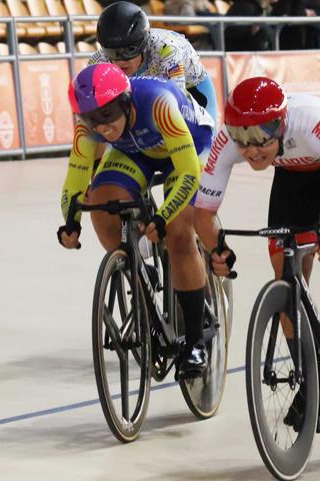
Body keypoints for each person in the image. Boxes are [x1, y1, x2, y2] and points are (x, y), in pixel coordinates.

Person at [193, 77, 320, 429]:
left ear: (281, 124)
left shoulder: (311, 123)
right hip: (293, 173)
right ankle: (310, 375)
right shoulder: (232, 138)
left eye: (260, 139)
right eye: (243, 139)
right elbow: (203, 214)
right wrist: (217, 250)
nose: (252, 150)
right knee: (285, 273)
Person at [59, 63, 215, 379]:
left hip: (189, 148)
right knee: (101, 201)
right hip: (136, 151)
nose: (100, 127)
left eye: (107, 115)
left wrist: (163, 216)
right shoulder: (89, 126)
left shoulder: (158, 103)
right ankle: (141, 272)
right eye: (91, 119)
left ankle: (196, 342)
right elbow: (75, 180)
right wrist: (71, 222)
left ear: (126, 102)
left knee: (179, 233)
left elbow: (188, 172)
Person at [90, 1, 218, 122]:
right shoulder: (98, 61)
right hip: (148, 90)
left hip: (193, 88)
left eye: (129, 50)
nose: (121, 61)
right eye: (112, 53)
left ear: (143, 45)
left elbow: (177, 102)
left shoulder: (166, 49)